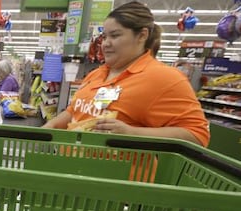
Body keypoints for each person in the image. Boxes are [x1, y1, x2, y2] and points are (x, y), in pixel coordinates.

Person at [43, 1, 210, 147]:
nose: (105, 44)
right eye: (105, 36)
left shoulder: (164, 78)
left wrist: (131, 132)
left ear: (142, 35)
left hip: (121, 178)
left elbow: (197, 135)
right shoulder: (97, 74)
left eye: (115, 36)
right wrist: (48, 129)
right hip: (73, 167)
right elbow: (74, 112)